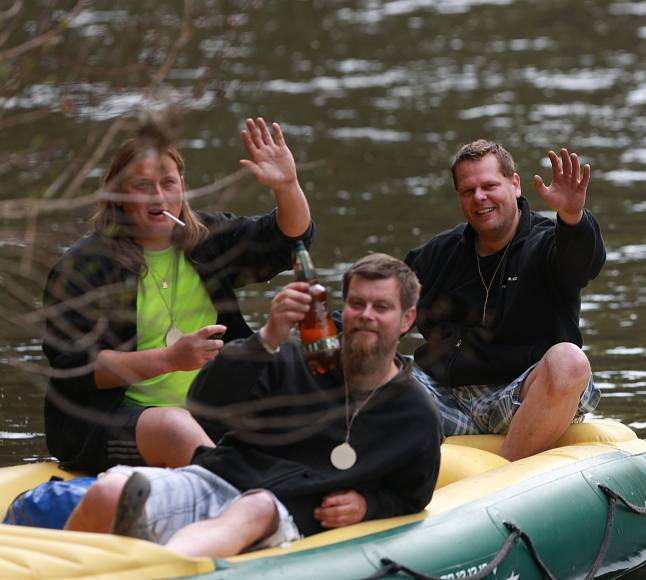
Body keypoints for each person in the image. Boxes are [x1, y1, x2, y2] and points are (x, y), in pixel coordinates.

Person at [64, 254, 442, 558]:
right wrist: (266, 339)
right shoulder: (291, 358)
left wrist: (368, 504)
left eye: (382, 307)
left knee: (257, 507)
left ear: (407, 319)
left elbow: (413, 495)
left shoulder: (415, 414)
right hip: (221, 479)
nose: (366, 316)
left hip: (288, 512)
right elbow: (204, 405)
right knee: (109, 492)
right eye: (357, 304)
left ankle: (157, 568)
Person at [42, 116, 313, 474]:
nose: (158, 196)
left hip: (210, 410)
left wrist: (287, 186)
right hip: (107, 423)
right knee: (174, 426)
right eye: (143, 186)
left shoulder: (208, 241)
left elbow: (289, 240)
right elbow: (75, 367)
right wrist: (170, 359)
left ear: (182, 186)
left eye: (167, 183)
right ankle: (242, 502)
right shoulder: (85, 265)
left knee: (307, 389)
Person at [404, 140, 606, 461]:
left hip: (521, 400)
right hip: (445, 399)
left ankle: (503, 477)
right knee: (366, 359)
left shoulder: (549, 241)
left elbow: (583, 263)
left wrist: (572, 217)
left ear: (515, 185)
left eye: (489, 186)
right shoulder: (438, 253)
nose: (479, 198)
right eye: (468, 191)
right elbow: (381, 306)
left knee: (571, 361)